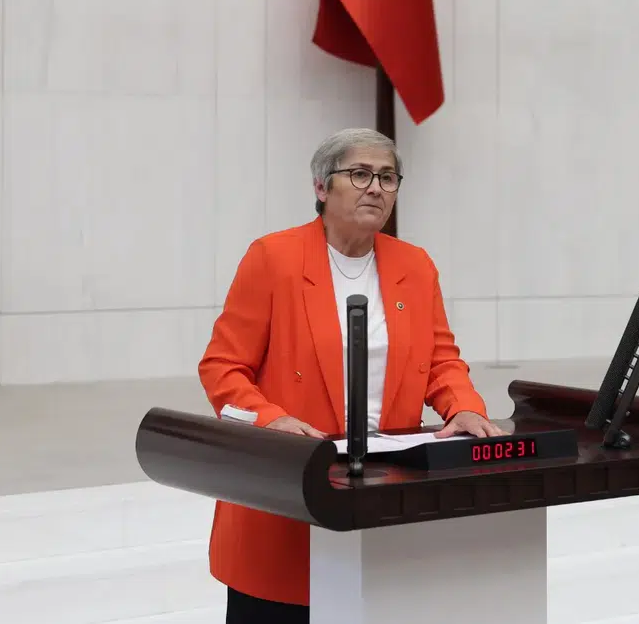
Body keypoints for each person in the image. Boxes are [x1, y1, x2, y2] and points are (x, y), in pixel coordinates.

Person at [198, 127, 502, 623]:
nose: (376, 188)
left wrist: (463, 407)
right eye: (360, 174)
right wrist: (270, 421)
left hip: (384, 487)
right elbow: (223, 366)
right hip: (291, 487)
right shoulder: (273, 258)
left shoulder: (415, 265)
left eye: (387, 177)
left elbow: (441, 361)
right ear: (321, 187)